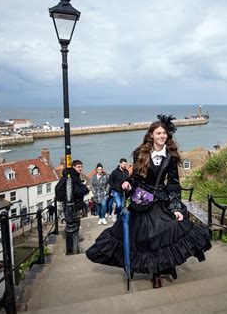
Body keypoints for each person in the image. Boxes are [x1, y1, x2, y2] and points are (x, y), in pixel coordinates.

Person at [86, 115, 212, 288]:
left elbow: (174, 184)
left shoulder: (171, 156)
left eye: (164, 133)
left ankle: (158, 273)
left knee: (164, 232)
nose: (162, 136)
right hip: (141, 199)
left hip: (161, 200)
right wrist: (127, 183)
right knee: (139, 236)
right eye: (158, 133)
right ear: (151, 135)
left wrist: (175, 207)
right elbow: (136, 178)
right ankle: (139, 266)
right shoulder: (141, 153)